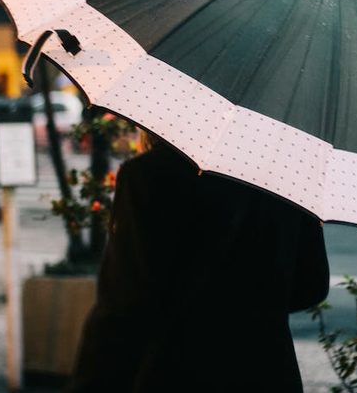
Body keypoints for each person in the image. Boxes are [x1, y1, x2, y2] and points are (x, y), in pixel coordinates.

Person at [70, 134, 330, 392]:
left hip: (175, 372)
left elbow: (125, 306)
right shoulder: (287, 180)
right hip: (266, 372)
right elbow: (311, 285)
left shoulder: (148, 174)